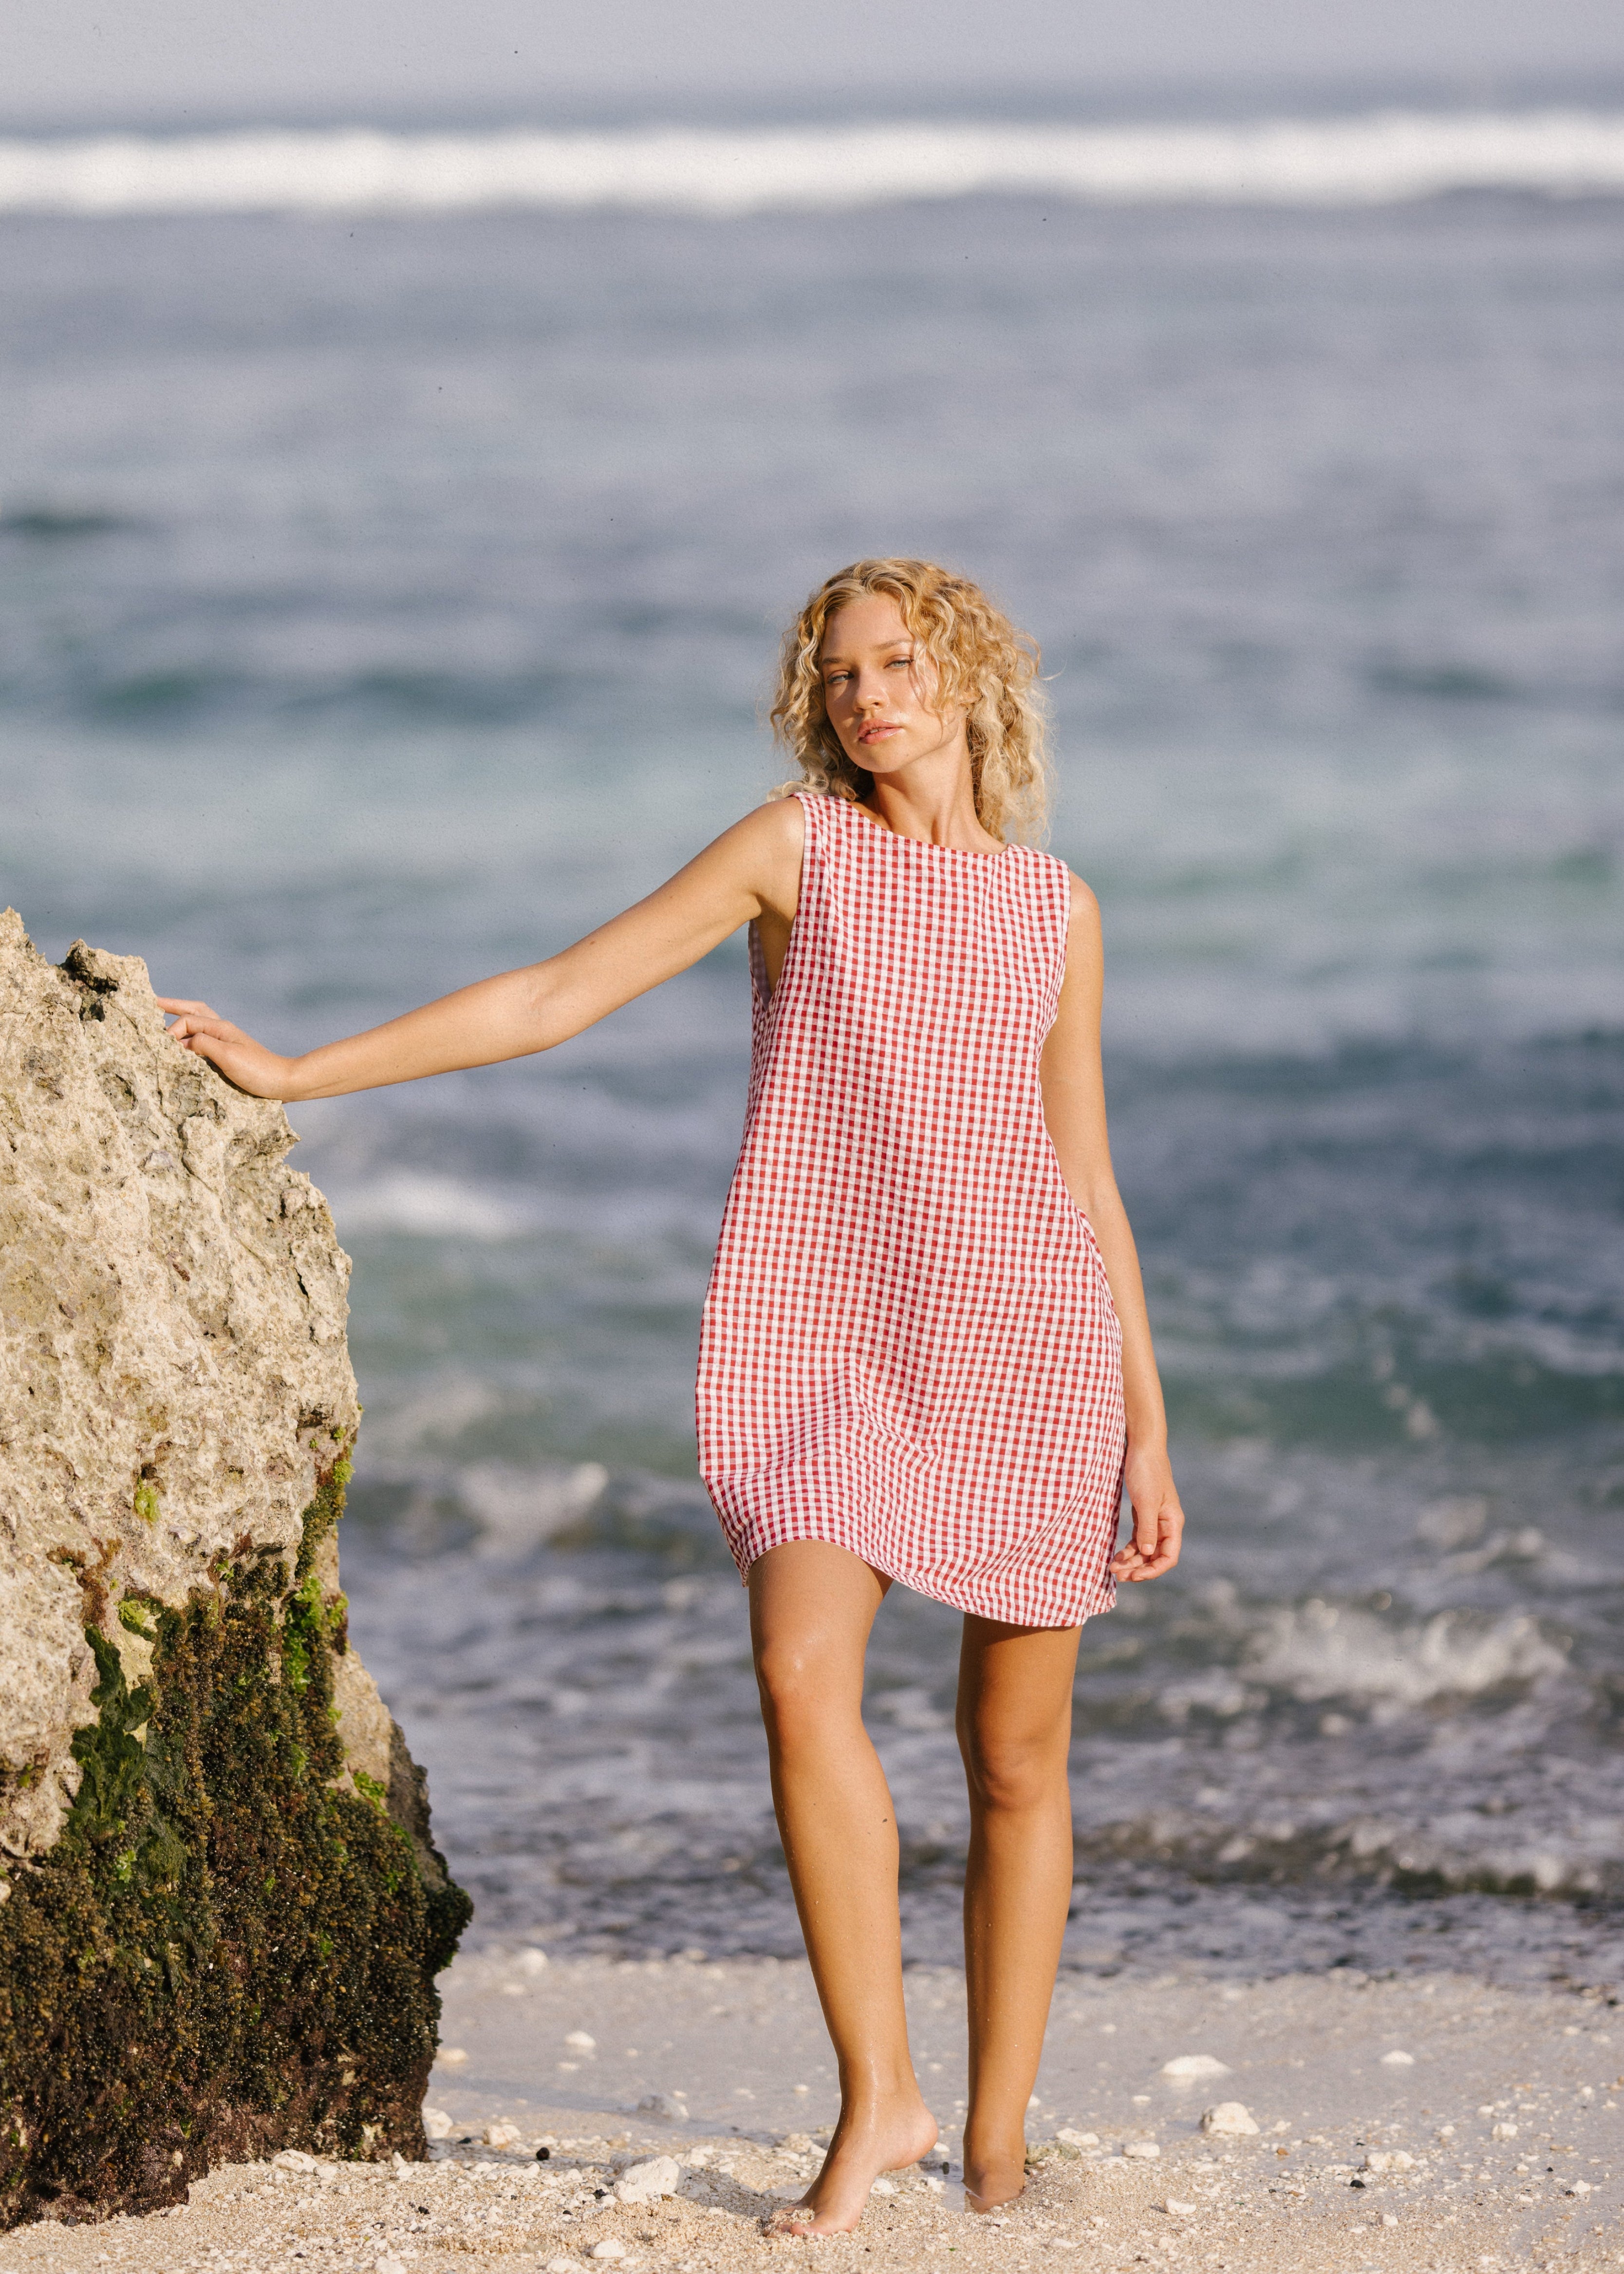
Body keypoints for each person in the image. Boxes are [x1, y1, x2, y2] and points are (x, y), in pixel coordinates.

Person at [159, 557, 1185, 2236]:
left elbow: (1086, 1173)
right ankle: (885, 2101)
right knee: (798, 1671)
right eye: (840, 674)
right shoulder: (799, 853)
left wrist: (1147, 1415)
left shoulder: (1057, 909)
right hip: (819, 1336)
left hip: (1030, 1345)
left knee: (1013, 1763)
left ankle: (999, 2141)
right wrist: (298, 1067)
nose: (868, 695)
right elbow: (557, 996)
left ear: (974, 677)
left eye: (899, 662)